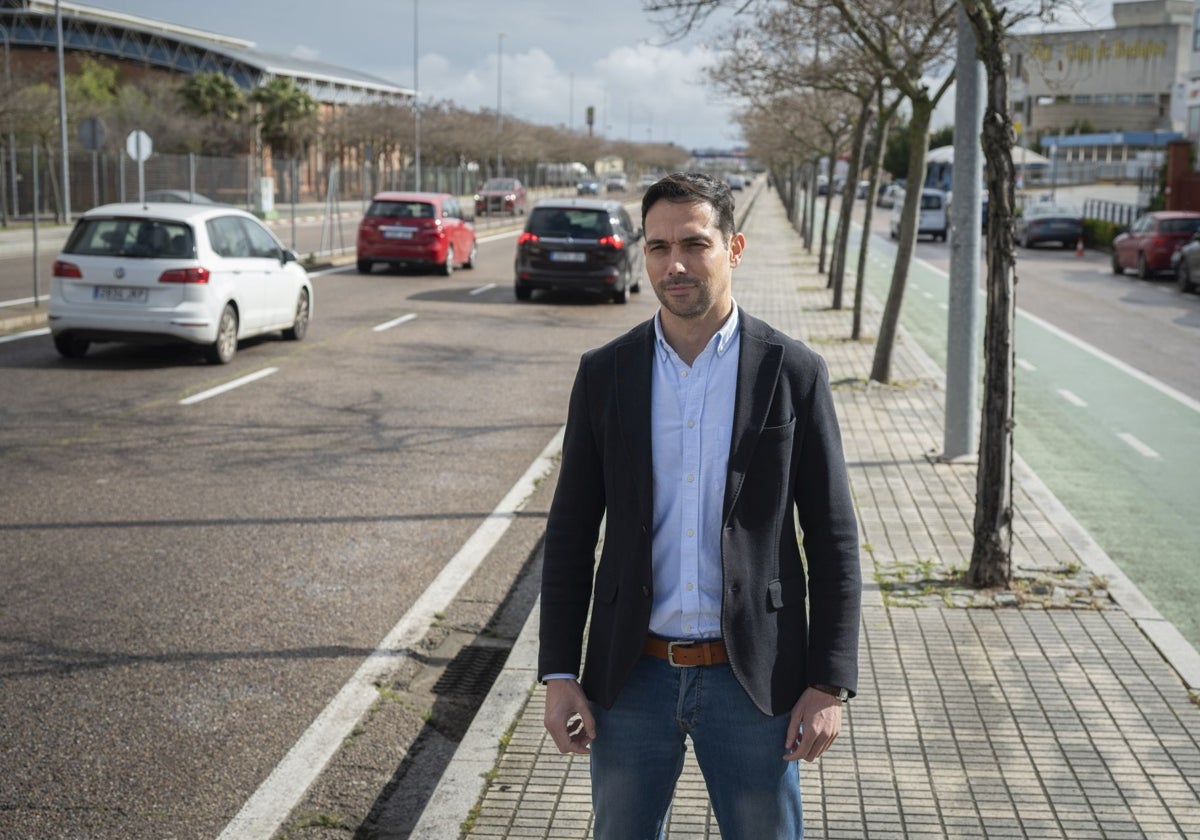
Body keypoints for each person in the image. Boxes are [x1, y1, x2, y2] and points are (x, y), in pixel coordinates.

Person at [539, 171, 862, 839]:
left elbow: (831, 538)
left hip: (756, 679)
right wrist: (559, 671)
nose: (675, 264)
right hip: (630, 678)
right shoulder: (605, 373)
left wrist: (829, 684)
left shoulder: (792, 372)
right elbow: (571, 533)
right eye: (657, 247)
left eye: (694, 243)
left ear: (735, 248)